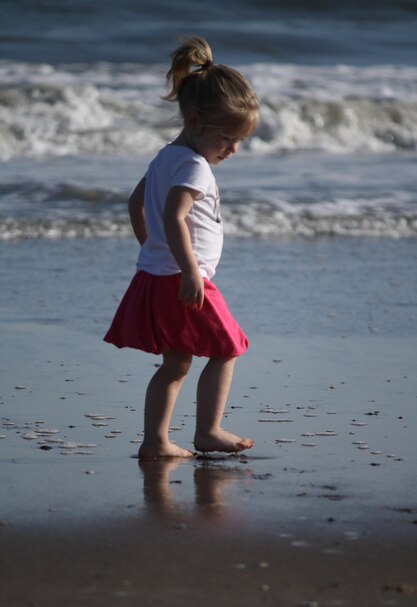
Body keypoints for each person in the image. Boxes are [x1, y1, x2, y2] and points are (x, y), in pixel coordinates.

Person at [104, 36, 259, 459]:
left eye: (239, 140)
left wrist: (151, 247)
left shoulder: (164, 157)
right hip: (184, 281)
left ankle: (155, 441)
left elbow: (137, 202)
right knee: (228, 348)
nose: (232, 149)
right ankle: (208, 430)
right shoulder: (195, 166)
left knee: (176, 365)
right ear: (194, 121)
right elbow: (174, 215)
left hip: (157, 277)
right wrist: (189, 270)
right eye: (227, 139)